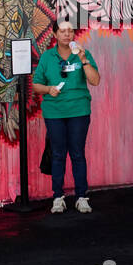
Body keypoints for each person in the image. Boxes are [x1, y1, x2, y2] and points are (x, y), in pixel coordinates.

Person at [32, 19, 100, 213]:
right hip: (54, 113)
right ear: (55, 34)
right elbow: (36, 85)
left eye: (70, 31)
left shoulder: (82, 55)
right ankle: (57, 197)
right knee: (58, 155)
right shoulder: (47, 57)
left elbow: (95, 80)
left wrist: (84, 59)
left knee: (78, 154)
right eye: (62, 31)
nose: (67, 34)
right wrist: (48, 89)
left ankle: (81, 197)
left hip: (79, 111)